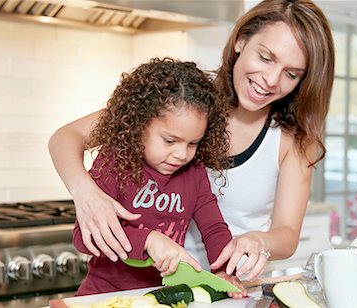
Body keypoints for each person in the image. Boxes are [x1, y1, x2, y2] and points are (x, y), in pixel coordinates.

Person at [49, 0, 334, 283]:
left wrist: (258, 240)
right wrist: (85, 193)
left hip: (231, 283)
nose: (271, 80)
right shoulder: (185, 100)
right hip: (159, 282)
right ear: (241, 41)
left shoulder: (293, 140)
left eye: (291, 74)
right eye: (265, 57)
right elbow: (66, 137)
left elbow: (286, 234)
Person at [70, 57, 239, 296]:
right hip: (103, 297)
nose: (182, 155)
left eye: (193, 143)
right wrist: (148, 240)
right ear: (139, 126)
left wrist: (224, 271)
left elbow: (213, 228)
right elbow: (82, 238)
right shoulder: (113, 163)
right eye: (170, 141)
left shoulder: (195, 172)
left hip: (162, 296)